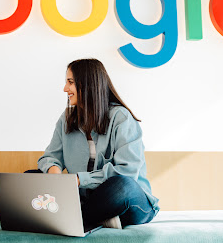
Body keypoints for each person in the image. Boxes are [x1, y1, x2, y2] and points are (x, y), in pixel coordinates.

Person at [37, 58, 159, 229]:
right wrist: (54, 171)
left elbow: (128, 171)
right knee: (33, 174)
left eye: (70, 82)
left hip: (131, 202)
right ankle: (96, 218)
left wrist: (79, 180)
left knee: (122, 186)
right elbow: (49, 157)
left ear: (88, 85)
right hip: (89, 201)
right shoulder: (66, 119)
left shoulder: (121, 118)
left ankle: (78, 218)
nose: (65, 89)